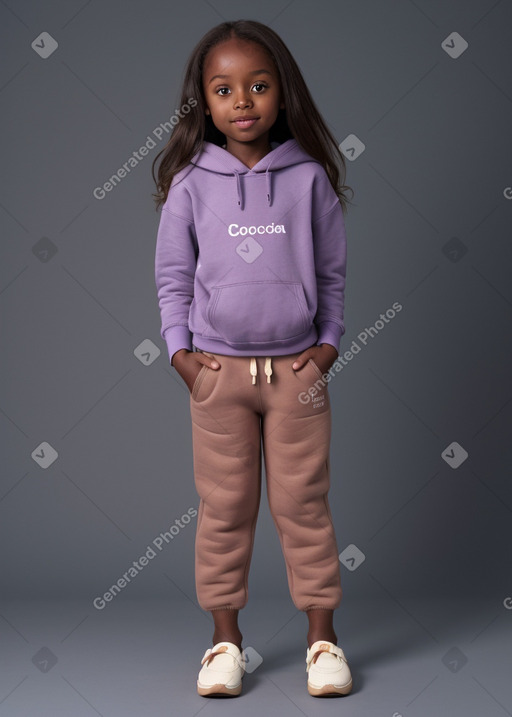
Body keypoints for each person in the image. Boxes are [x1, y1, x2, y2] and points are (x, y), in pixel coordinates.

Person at [152, 19, 354, 698]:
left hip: (297, 375)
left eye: (259, 86)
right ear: (204, 103)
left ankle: (322, 641)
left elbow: (331, 274)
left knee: (304, 504)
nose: (244, 101)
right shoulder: (189, 183)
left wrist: (326, 348)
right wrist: (180, 354)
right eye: (225, 89)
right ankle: (224, 644)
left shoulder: (308, 180)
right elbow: (173, 277)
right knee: (225, 507)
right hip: (218, 376)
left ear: (281, 93)